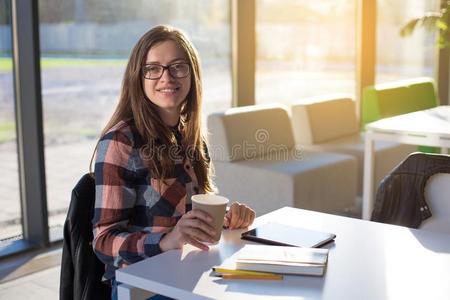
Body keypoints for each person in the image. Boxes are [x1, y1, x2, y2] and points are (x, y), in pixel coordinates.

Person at [91, 25, 256, 299]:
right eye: (153, 68)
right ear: (138, 77)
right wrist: (166, 241)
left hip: (186, 271)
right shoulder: (122, 140)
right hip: (143, 285)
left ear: (192, 75)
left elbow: (192, 215)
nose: (166, 77)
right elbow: (104, 241)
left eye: (178, 67)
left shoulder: (189, 135)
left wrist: (226, 220)